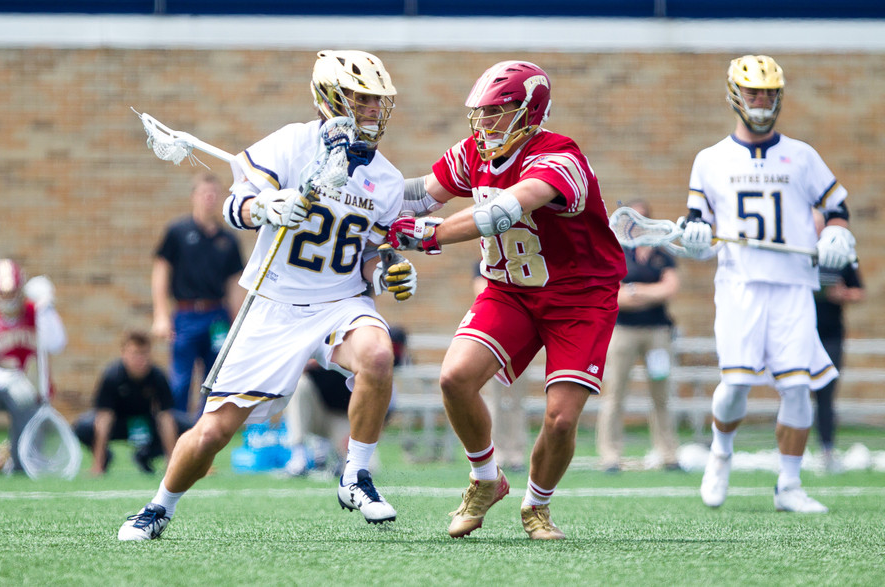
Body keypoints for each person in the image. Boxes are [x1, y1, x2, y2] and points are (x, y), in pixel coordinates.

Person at [119, 49, 415, 541]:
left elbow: (368, 255)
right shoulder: (292, 143)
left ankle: (356, 474)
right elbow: (233, 207)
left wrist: (386, 274)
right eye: (361, 98)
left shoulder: (384, 178)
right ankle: (159, 506)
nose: (372, 109)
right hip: (276, 304)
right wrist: (266, 207)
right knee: (213, 432)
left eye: (377, 100)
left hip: (340, 302)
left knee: (379, 355)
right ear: (330, 98)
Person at [389, 60, 626, 540]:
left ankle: (537, 505)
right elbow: (420, 194)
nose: (485, 122)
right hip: (510, 290)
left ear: (529, 111)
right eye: (481, 112)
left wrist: (429, 236)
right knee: (455, 377)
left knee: (560, 419)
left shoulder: (560, 156)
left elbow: (500, 212)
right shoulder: (474, 150)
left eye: (496, 111)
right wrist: (359, 196)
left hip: (579, 298)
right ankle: (485, 478)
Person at [679, 55, 857, 513]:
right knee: (736, 383)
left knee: (798, 389)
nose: (762, 101)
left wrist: (836, 233)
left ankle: (789, 485)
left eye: (770, 93)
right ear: (735, 94)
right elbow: (699, 226)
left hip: (793, 286)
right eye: (754, 92)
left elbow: (837, 208)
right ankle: (720, 454)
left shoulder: (802, 155)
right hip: (740, 285)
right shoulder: (710, 159)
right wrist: (695, 236)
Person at [596, 199, 681, 473]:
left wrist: (634, 290)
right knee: (615, 393)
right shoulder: (616, 252)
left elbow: (669, 288)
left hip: (657, 333)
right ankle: (610, 455)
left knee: (661, 393)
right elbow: (615, 295)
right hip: (623, 332)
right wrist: (649, 292)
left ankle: (668, 453)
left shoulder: (661, 253)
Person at [152, 173, 246, 416]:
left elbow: (234, 283)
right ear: (194, 196)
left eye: (214, 193)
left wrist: (237, 323)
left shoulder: (228, 240)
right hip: (186, 314)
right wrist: (161, 315)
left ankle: (205, 428)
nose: (209, 198)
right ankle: (178, 429)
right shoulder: (177, 232)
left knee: (215, 377)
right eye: (204, 193)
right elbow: (161, 271)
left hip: (217, 317)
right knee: (180, 379)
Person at [0, 259, 67, 474]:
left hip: (30, 393)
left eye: (12, 293)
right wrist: (7, 380)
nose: (8, 299)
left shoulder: (35, 312)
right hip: (0, 389)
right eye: (2, 293)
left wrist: (47, 308)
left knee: (23, 466)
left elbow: (56, 344)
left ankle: (8, 455)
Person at [283, 326, 410, 477]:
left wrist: (361, 434)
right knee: (299, 384)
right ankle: (299, 456)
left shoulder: (379, 370)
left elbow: (384, 412)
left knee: (367, 468)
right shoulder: (331, 344)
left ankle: (336, 456)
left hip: (345, 419)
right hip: (317, 412)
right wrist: (312, 361)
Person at [75, 331, 192, 475]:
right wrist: (97, 465)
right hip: (119, 425)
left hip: (147, 424)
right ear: (123, 353)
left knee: (187, 426)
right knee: (83, 427)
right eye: (135, 354)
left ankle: (146, 454)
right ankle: (105, 458)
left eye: (144, 353)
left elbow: (165, 418)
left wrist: (172, 463)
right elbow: (104, 418)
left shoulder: (157, 376)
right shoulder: (112, 376)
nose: (140, 359)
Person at [811, 210, 864, 473]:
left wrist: (841, 294)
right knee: (793, 389)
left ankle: (826, 449)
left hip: (830, 333)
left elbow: (859, 291)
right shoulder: (796, 252)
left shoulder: (841, 254)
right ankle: (789, 449)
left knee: (826, 392)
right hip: (801, 331)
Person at [472, 269, 528, 473]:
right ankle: (497, 453)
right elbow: (482, 292)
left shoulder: (521, 264)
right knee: (494, 401)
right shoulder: (483, 265)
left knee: (517, 401)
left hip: (520, 338)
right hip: (494, 339)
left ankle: (517, 453)